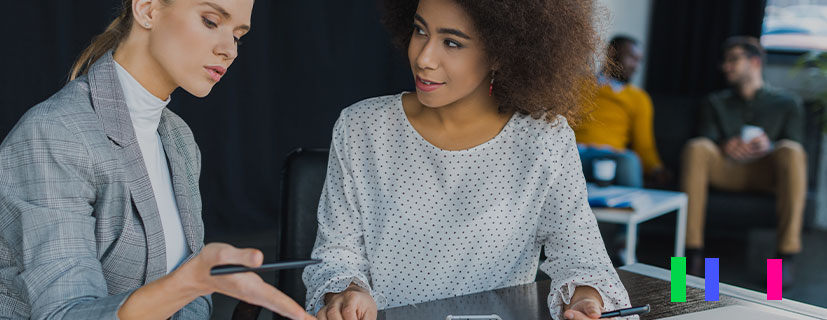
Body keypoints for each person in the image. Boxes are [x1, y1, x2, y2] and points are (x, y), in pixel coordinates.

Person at [302, 0, 633, 319]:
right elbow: (336, 255)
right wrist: (347, 292)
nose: (424, 57)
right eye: (420, 30)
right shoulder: (362, 128)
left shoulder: (544, 140)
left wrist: (586, 300)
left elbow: (582, 257)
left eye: (451, 42)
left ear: (501, 53)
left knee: (681, 288)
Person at [0, 0, 313, 319]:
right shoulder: (56, 133)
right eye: (210, 21)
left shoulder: (178, 138)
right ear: (148, 9)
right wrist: (190, 282)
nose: (229, 50)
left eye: (237, 36)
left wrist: (194, 286)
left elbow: (189, 302)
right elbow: (64, 314)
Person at [681, 36, 805, 284]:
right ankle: (690, 255)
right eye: (724, 61)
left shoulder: (787, 102)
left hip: (766, 172)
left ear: (755, 62)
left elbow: (794, 142)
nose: (726, 66)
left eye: (733, 60)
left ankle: (785, 257)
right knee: (696, 147)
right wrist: (725, 144)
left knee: (791, 150)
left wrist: (769, 145)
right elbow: (706, 137)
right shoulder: (715, 102)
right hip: (726, 168)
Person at [574, 36, 670, 188]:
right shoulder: (579, 85)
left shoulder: (639, 98)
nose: (636, 66)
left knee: (630, 160)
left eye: (639, 61)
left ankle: (631, 209)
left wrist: (656, 169)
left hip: (613, 157)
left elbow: (644, 146)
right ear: (612, 54)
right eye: (632, 58)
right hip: (575, 152)